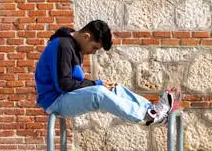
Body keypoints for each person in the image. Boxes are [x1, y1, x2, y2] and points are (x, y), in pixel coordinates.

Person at [34, 19, 179, 125]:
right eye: (94, 48)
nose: (93, 52)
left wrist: (100, 84)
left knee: (113, 87)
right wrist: (96, 84)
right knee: (99, 93)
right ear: (86, 36)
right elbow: (64, 84)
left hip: (66, 95)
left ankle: (153, 110)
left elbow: (72, 82)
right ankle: (148, 116)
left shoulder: (72, 45)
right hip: (55, 101)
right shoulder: (63, 45)